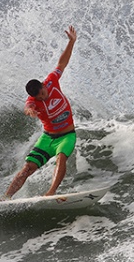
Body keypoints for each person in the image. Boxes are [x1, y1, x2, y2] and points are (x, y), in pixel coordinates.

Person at [4, 25, 78, 199]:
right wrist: (30, 111)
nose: (43, 99)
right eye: (39, 98)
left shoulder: (52, 81)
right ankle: (6, 197)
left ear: (44, 86)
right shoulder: (34, 101)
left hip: (66, 136)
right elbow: (27, 107)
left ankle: (51, 192)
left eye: (43, 94)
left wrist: (71, 42)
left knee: (61, 157)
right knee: (28, 168)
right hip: (47, 138)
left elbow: (62, 63)